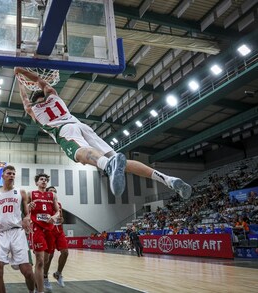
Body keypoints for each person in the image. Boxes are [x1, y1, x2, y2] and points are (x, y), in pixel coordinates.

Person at [14, 67, 192, 199]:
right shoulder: (53, 96)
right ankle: (167, 179)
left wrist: (18, 79)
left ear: (34, 102)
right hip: (82, 125)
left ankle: (108, 166)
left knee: (79, 153)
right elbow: (39, 80)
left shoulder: (33, 110)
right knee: (121, 161)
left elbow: (24, 98)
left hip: (65, 130)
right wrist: (22, 71)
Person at [0, 165, 35, 293]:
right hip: (2, 233)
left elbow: (27, 212)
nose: (12, 175)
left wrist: (27, 217)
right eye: (9, 173)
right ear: (3, 176)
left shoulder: (21, 192)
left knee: (28, 271)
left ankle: (32, 291)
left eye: (13, 173)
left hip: (18, 233)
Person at [29, 173, 60, 293]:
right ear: (37, 182)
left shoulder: (52, 195)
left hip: (49, 229)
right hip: (37, 228)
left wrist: (54, 217)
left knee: (46, 260)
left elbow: (58, 212)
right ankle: (40, 291)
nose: (44, 181)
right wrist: (28, 206)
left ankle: (38, 281)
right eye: (41, 179)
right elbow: (23, 210)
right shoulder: (30, 194)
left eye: (46, 180)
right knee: (40, 260)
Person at [43, 186, 68, 291]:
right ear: (47, 193)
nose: (53, 193)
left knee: (65, 252)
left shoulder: (59, 204)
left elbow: (61, 219)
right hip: (49, 232)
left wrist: (61, 219)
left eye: (54, 191)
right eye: (51, 191)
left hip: (60, 232)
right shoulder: (43, 204)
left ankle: (58, 273)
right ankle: (44, 277)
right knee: (50, 256)